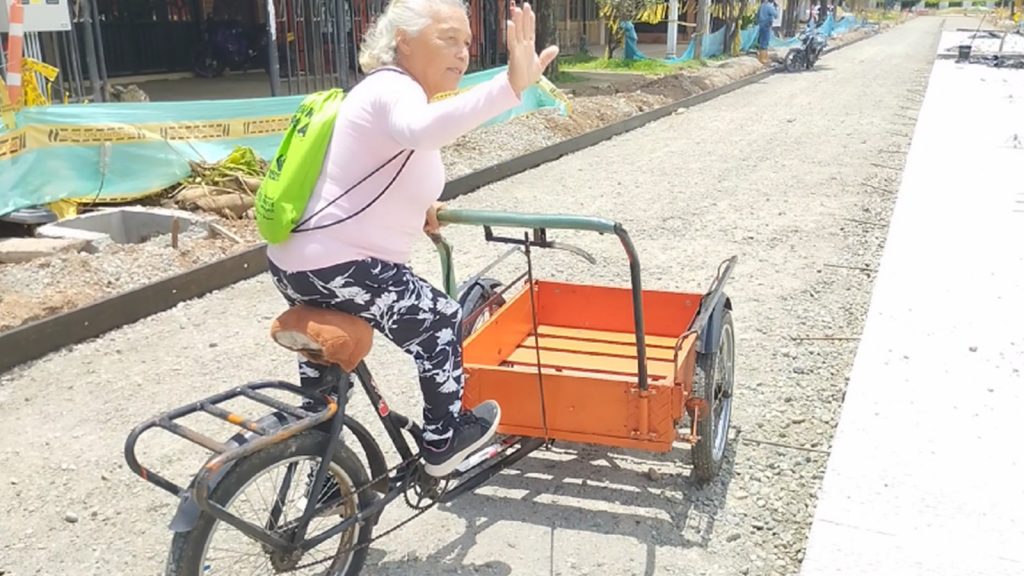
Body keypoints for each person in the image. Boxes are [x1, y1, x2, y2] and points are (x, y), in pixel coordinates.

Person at [265, 0, 559, 479]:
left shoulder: (383, 93)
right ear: (404, 40)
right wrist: (509, 86)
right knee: (441, 320)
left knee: (326, 377)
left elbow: (364, 170)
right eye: (448, 39)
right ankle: (444, 441)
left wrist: (420, 206)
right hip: (343, 265)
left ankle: (316, 472)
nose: (463, 53)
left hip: (298, 263)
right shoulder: (392, 88)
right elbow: (419, 131)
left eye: (467, 42)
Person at [756, 0, 778, 65]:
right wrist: (776, 7)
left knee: (762, 41)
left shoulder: (761, 6)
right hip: (767, 25)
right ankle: (763, 59)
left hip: (761, 25)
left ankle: (761, 58)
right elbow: (776, 15)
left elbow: (757, 16)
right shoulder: (769, 7)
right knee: (765, 42)